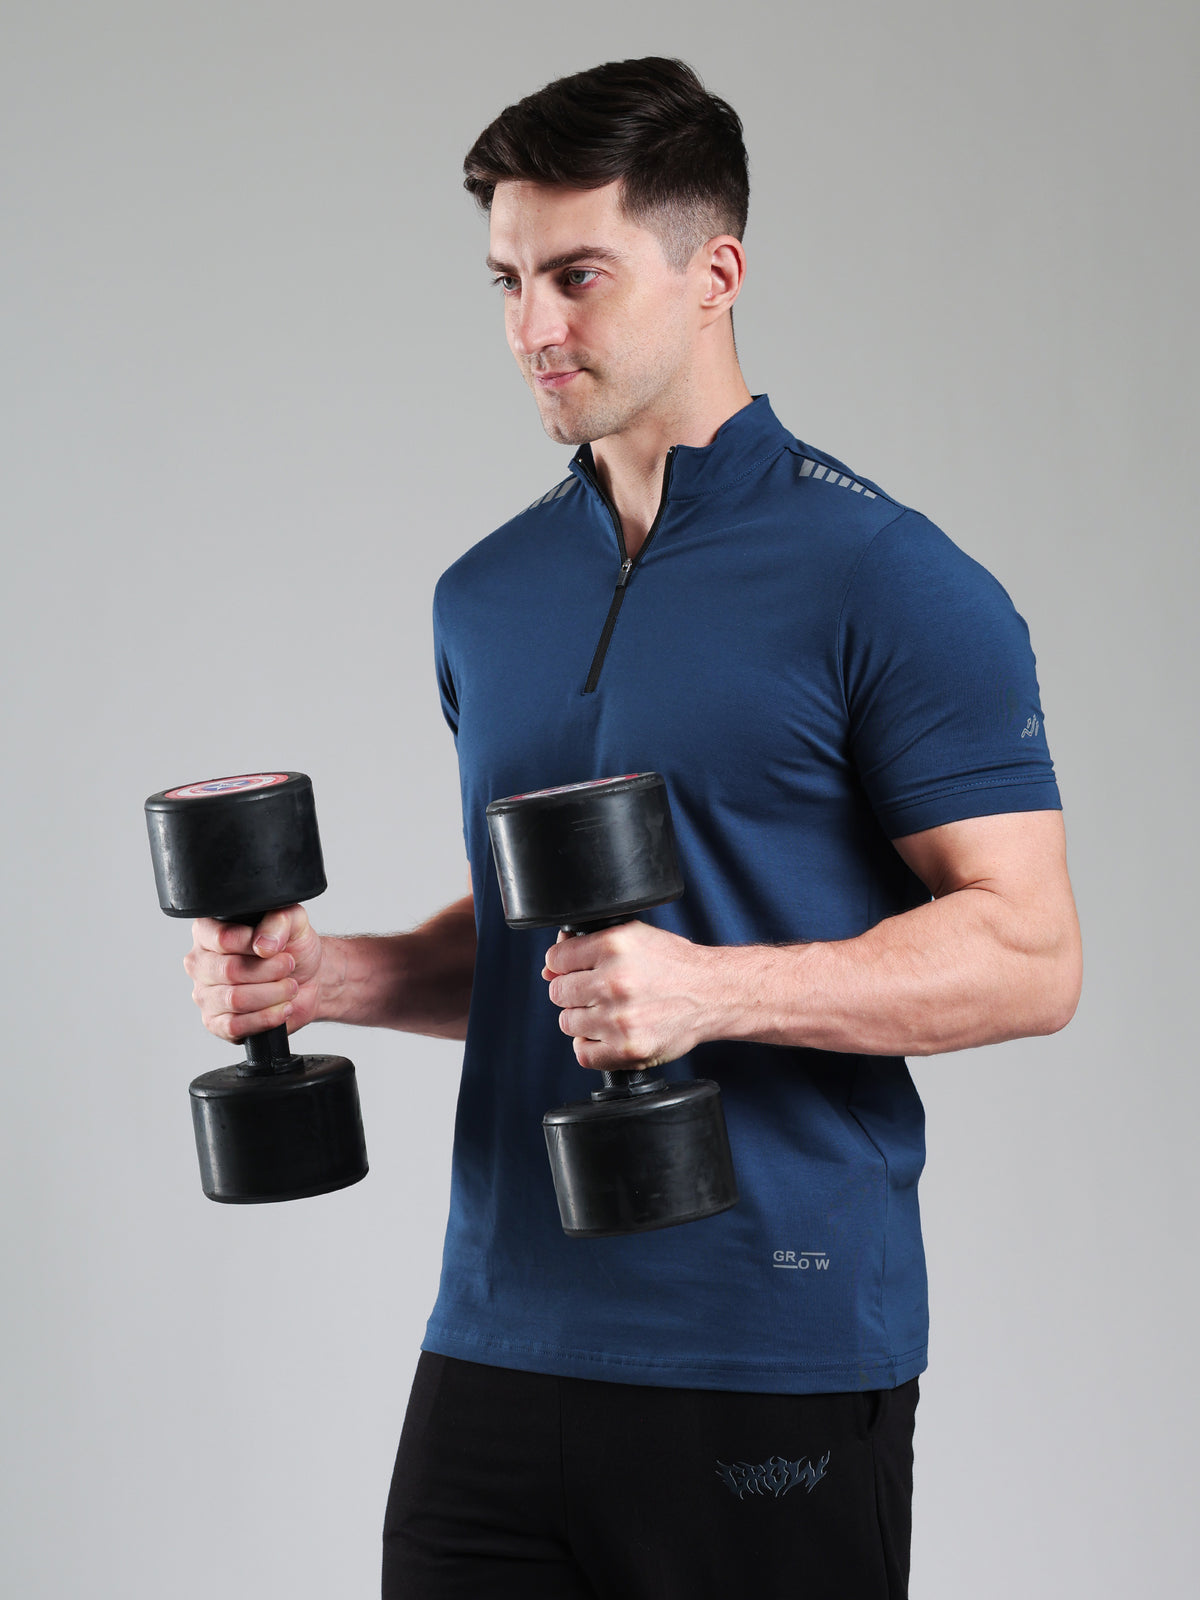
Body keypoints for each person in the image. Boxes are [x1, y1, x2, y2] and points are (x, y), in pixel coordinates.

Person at [184, 57, 1082, 1600]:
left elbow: (1030, 954)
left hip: (769, 1347)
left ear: (715, 272)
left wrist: (712, 989)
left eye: (578, 275)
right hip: (498, 1335)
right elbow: (544, 943)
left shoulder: (888, 579)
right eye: (509, 280)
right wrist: (333, 977)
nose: (535, 326)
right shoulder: (485, 597)